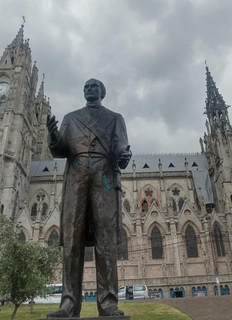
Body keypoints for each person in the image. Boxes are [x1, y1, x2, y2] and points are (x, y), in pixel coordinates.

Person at [46, 79, 132, 318]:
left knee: (106, 240)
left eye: (94, 86)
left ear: (102, 93)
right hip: (76, 177)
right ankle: (69, 303)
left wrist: (124, 155)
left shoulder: (115, 118)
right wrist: (53, 135)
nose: (90, 89)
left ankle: (108, 303)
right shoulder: (71, 118)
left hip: (104, 176)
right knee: (72, 241)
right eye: (86, 87)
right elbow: (60, 149)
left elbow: (121, 145)